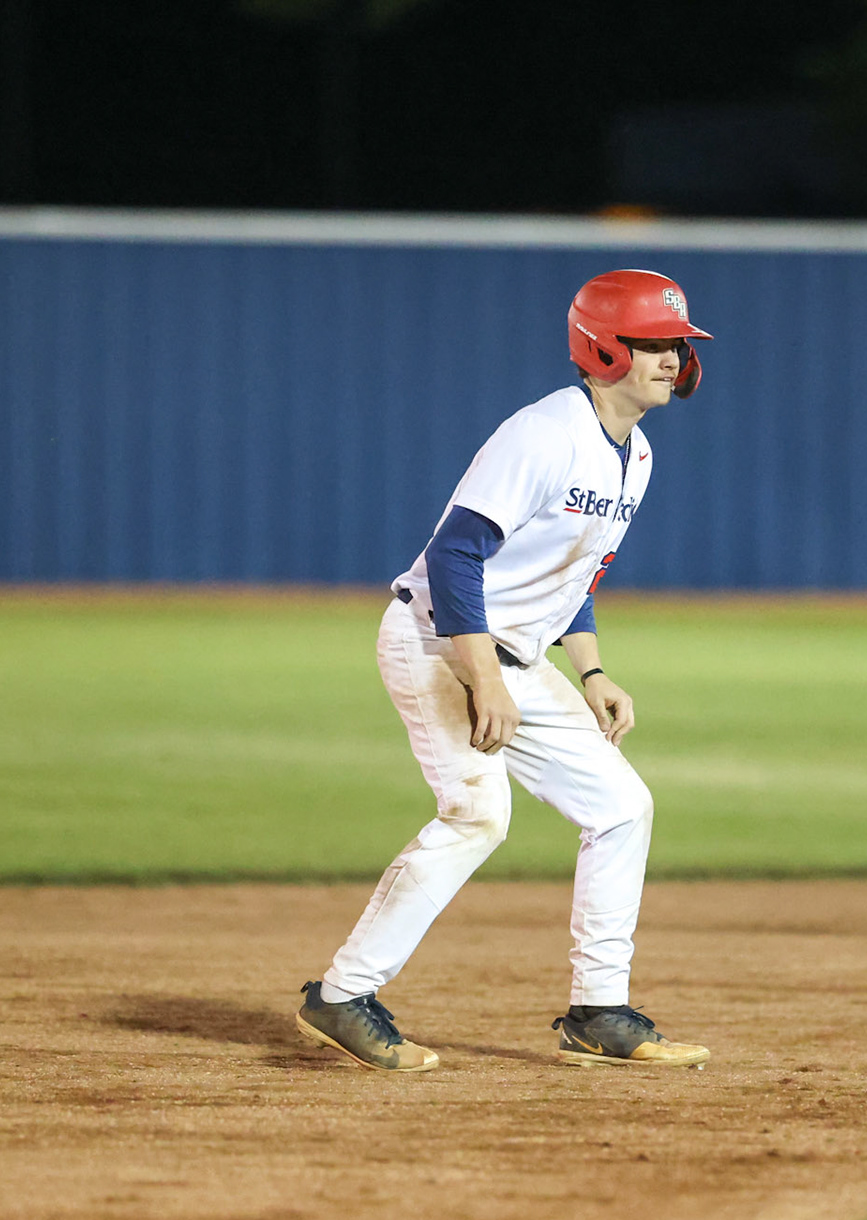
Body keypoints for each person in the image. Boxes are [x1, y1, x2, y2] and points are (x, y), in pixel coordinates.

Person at [296, 269, 714, 1071]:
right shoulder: (545, 433)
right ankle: (343, 994)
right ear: (605, 347)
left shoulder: (639, 456)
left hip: (513, 657)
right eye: (656, 343)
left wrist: (592, 675)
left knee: (623, 805)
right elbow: (456, 555)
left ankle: (599, 1010)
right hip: (437, 642)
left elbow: (574, 581)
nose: (673, 359)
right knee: (477, 814)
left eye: (678, 346)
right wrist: (482, 677)